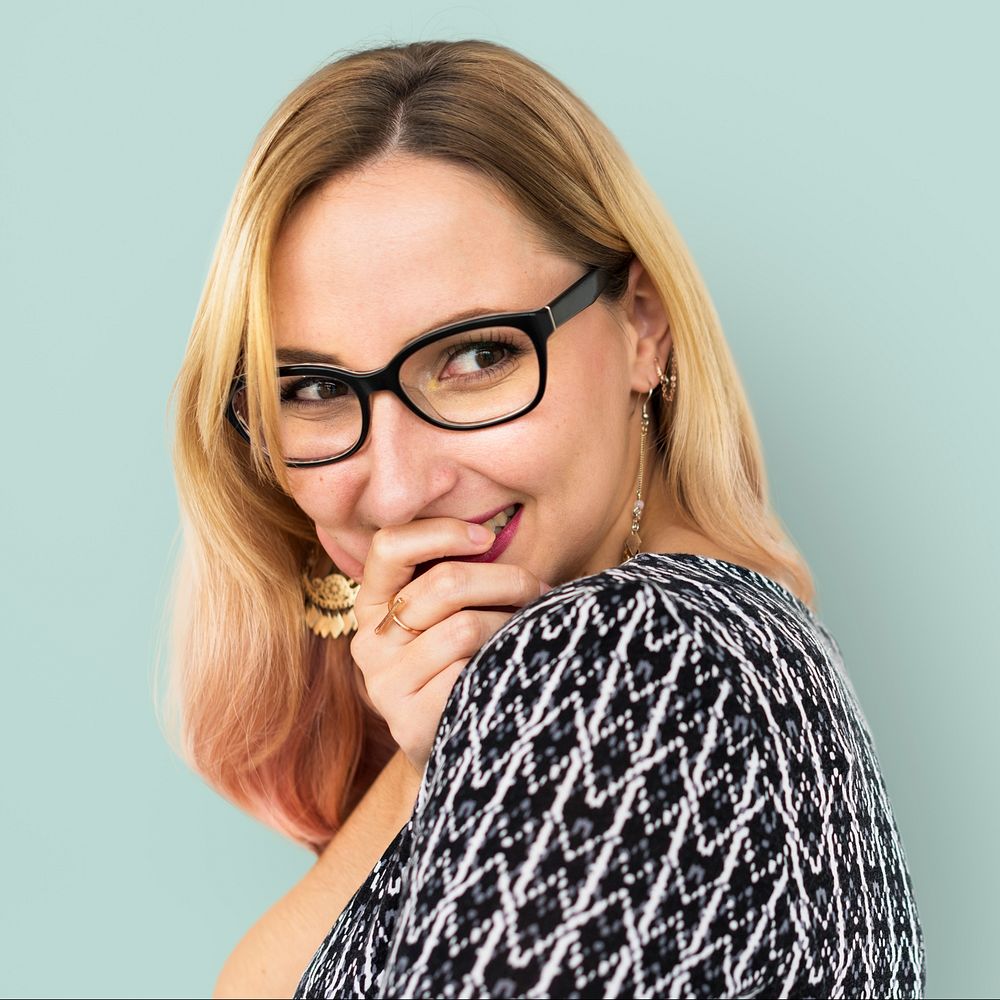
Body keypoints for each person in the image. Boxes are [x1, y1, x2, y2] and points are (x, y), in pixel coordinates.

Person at [163, 38, 926, 999]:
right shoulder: (699, 654)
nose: (395, 490)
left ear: (642, 324)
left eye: (478, 358)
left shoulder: (628, 662)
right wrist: (428, 761)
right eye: (313, 387)